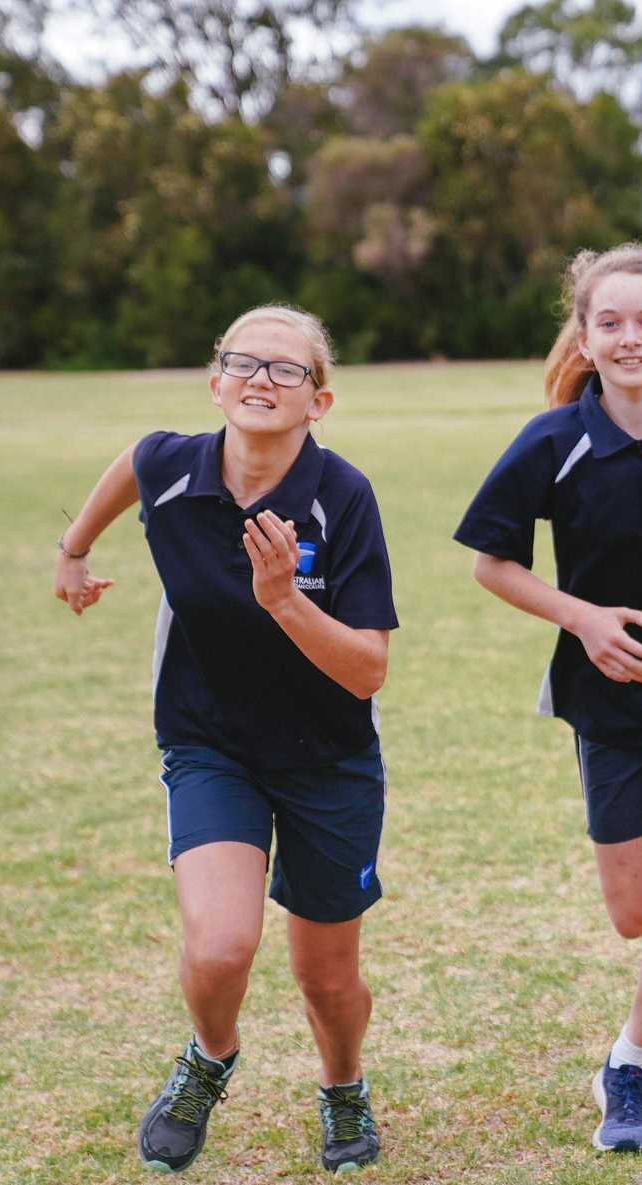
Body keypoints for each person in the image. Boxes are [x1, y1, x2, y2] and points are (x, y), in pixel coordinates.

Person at [52, 304, 395, 1175]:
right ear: (216, 384)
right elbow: (133, 462)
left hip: (329, 757)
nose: (263, 379)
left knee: (325, 977)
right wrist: (74, 548)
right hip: (210, 745)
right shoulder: (174, 464)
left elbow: (367, 671)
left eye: (288, 370)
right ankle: (209, 1057)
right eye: (245, 363)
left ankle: (343, 1084)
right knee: (218, 946)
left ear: (319, 402)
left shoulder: (342, 497)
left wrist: (286, 600)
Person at [454, 244, 642, 1154]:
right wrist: (580, 617)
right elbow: (491, 563)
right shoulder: (554, 440)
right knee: (632, 914)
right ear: (584, 335)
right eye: (609, 322)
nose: (630, 338)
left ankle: (627, 1061)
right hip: (609, 704)